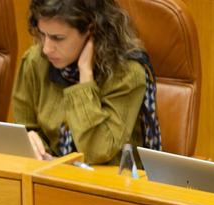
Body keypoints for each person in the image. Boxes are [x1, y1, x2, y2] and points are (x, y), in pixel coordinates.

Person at [12, 0, 162, 164]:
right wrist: (31, 140)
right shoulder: (35, 61)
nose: (47, 48)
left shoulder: (126, 74)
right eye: (43, 34)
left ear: (91, 30)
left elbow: (96, 151)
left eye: (58, 38)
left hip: (108, 183)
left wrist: (85, 76)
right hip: (48, 177)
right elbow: (24, 128)